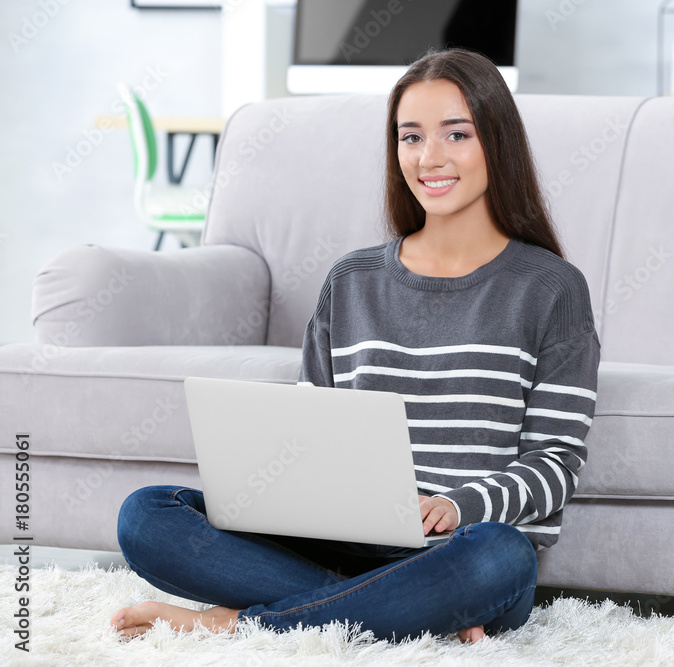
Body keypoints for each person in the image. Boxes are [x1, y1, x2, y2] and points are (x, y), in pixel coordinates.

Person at [110, 47, 601, 644]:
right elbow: (309, 431)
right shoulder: (351, 280)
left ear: (496, 141)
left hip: (462, 549)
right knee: (147, 515)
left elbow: (555, 463)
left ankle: (240, 624)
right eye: (411, 136)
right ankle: (398, 610)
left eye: (456, 134)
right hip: (339, 543)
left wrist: (459, 505)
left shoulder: (551, 289)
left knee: (501, 558)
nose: (430, 157)